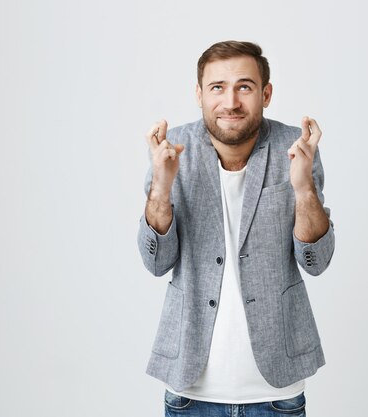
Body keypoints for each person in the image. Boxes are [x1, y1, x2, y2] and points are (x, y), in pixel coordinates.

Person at [137, 40, 335, 416]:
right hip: (189, 391)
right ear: (199, 94)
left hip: (277, 391)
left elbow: (317, 262)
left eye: (244, 86)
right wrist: (161, 187)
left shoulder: (294, 147)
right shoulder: (173, 148)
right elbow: (157, 262)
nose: (230, 101)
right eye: (217, 88)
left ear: (266, 93)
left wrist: (304, 187)